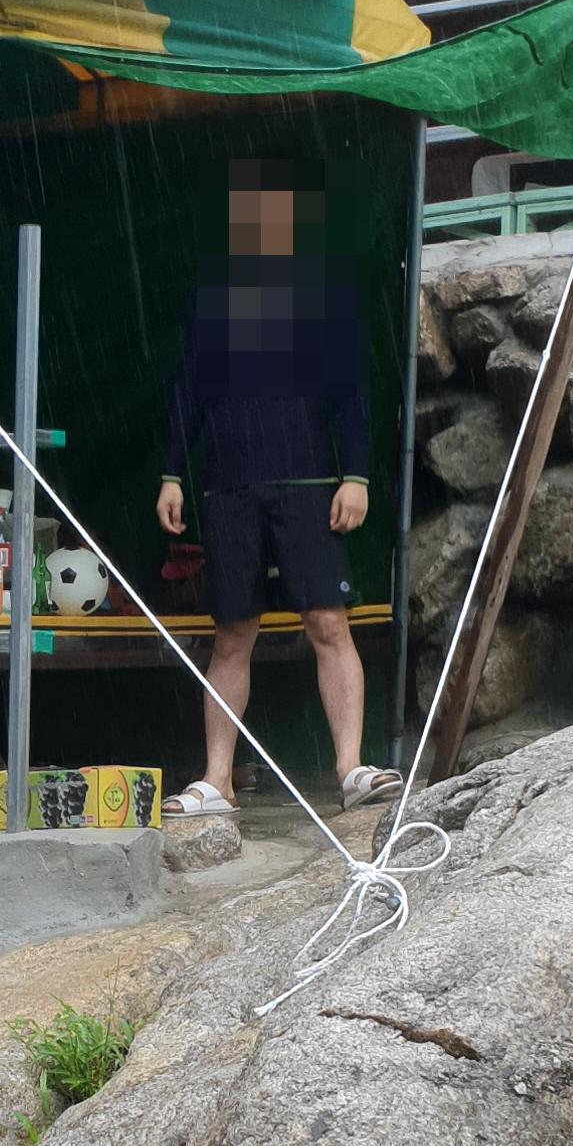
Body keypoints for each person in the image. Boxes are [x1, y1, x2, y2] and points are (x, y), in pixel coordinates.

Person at [155, 156, 394, 817]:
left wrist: (357, 476)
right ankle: (217, 781)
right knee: (232, 631)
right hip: (227, 487)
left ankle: (350, 770)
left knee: (328, 621)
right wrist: (171, 473)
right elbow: (188, 389)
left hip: (310, 482)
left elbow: (352, 392)